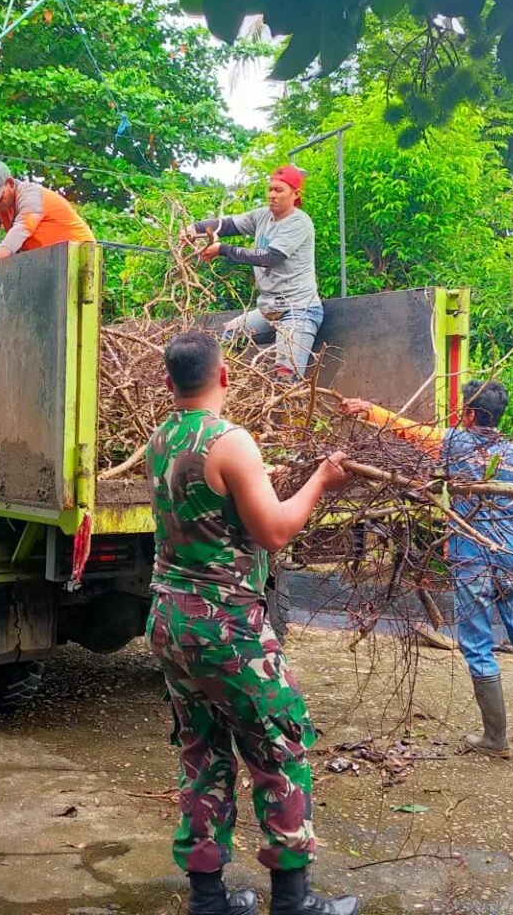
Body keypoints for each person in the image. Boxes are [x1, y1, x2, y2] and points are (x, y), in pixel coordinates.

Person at [147, 329, 358, 915]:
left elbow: (218, 512)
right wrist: (321, 480)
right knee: (280, 748)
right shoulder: (230, 441)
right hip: (227, 628)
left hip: (170, 619)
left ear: (168, 382)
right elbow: (275, 531)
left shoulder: (160, 438)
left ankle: (209, 901)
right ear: (224, 376)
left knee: (203, 753)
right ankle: (293, 901)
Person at [341, 380, 513, 761]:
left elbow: (408, 430)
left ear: (468, 414)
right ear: (498, 416)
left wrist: (367, 409)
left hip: (471, 561)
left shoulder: (451, 443)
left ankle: (495, 738)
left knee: (478, 645)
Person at [183, 165, 322, 378]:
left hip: (298, 311)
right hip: (268, 309)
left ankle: (288, 396)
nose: (272, 195)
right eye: (270, 189)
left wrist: (223, 250)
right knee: (230, 335)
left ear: (295, 194)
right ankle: (229, 386)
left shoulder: (299, 222)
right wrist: (195, 228)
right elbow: (227, 225)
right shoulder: (262, 216)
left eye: (279, 190)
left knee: (285, 377)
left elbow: (270, 258)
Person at [0, 159, 95, 288]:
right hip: (47, 263)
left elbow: (22, 228)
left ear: (10, 183)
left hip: (81, 259)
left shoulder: (30, 196)